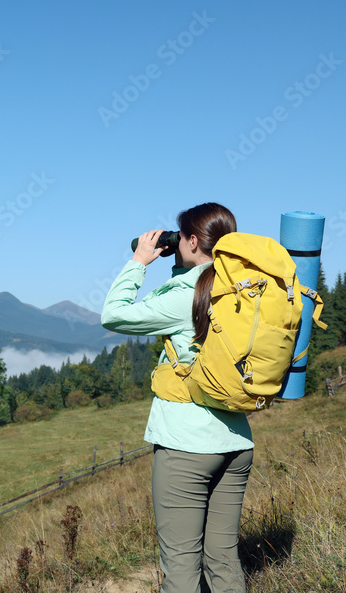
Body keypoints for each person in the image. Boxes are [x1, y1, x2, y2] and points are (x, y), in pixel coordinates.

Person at [100, 202, 253, 593]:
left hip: (187, 445)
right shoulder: (243, 286)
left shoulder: (183, 297)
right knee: (224, 557)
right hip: (236, 441)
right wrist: (180, 267)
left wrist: (139, 261)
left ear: (189, 240)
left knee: (182, 564)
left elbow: (114, 315)